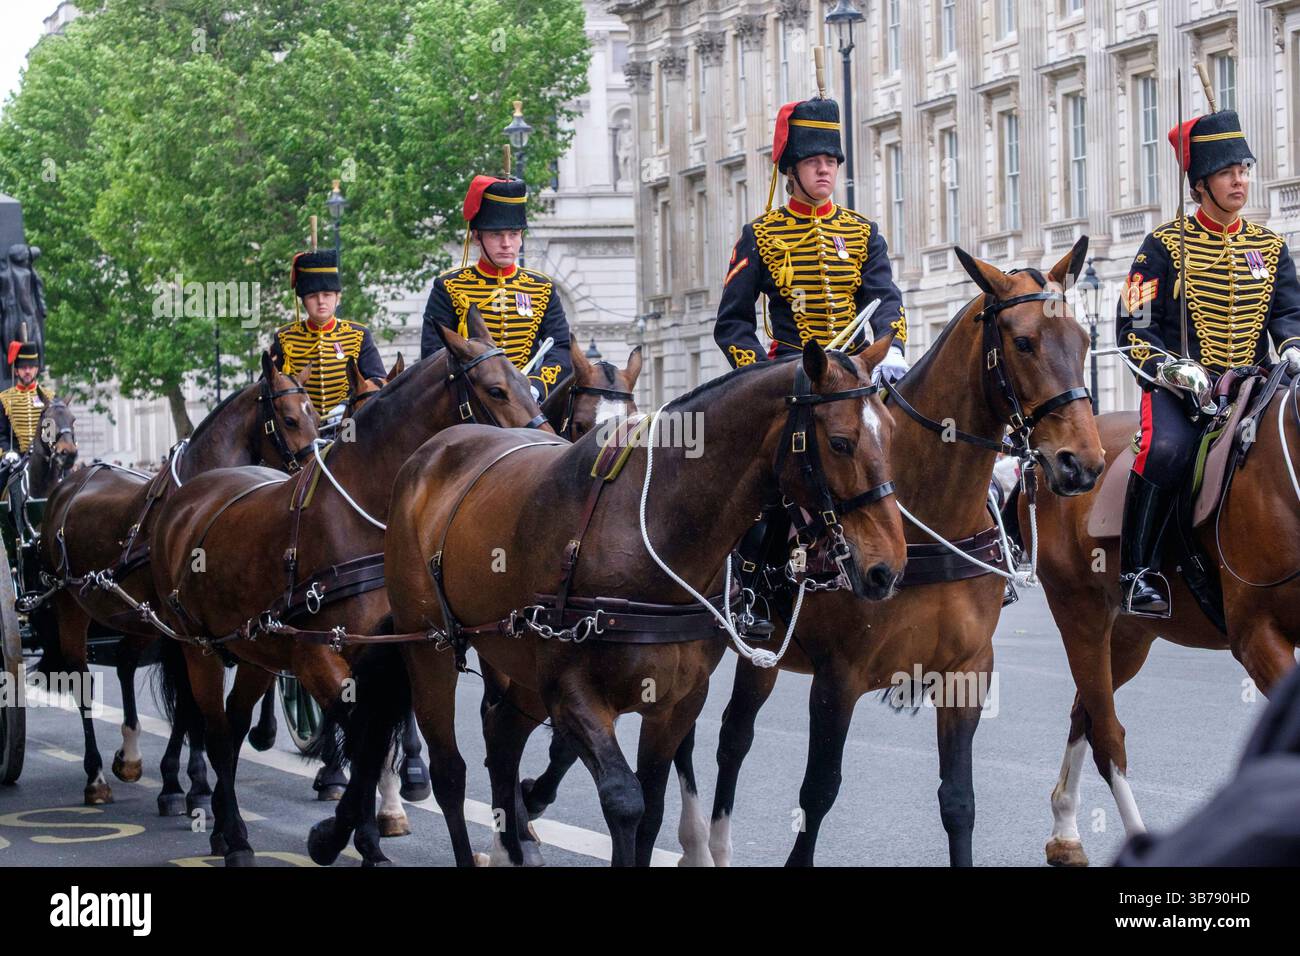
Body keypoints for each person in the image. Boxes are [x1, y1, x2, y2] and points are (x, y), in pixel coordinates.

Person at [1116, 109, 1300, 615]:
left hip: (1255, 385)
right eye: (1227, 172)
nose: (1240, 180)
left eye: (1244, 169)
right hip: (1184, 390)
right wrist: (1172, 368)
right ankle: (1138, 573)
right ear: (1201, 184)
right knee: (1167, 451)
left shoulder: (1268, 245)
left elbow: (1289, 312)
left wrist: (1293, 346)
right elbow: (1134, 328)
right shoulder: (1163, 245)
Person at [713, 95, 908, 381]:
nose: (824, 169)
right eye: (813, 161)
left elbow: (886, 298)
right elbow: (732, 322)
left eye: (830, 161)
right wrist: (759, 375)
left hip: (857, 369)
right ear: (792, 170)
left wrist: (890, 348)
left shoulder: (863, 232)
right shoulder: (760, 235)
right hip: (791, 373)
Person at [421, 176, 571, 400]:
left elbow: (560, 349)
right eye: (496, 235)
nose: (506, 244)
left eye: (514, 234)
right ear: (476, 237)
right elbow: (433, 354)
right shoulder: (450, 287)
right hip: (471, 402)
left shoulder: (541, 288)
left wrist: (536, 387)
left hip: (529, 401)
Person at [270, 248, 385, 420]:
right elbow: (269, 385)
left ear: (338, 297)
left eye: (327, 295)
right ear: (303, 301)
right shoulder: (284, 337)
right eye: (313, 296)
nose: (321, 301)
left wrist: (346, 405)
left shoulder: (358, 335)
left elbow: (378, 381)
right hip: (301, 428)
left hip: (348, 423)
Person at [0, 338, 53, 488]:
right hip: (16, 457)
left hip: (44, 457)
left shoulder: (49, 397)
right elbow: (1, 433)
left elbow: (52, 429)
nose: (28, 371)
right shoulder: (4, 398)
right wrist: (7, 452)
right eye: (23, 367)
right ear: (16, 370)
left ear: (37, 369)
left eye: (31, 367)